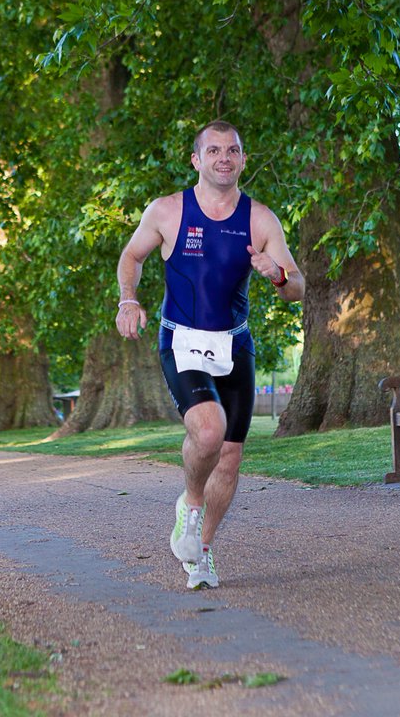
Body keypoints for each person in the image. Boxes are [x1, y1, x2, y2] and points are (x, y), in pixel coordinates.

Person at [115, 120, 304, 590]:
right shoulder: (167, 210)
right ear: (196, 160)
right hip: (182, 339)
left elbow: (296, 286)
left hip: (234, 343)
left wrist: (278, 275)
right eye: (214, 150)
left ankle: (200, 552)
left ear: (242, 160)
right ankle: (190, 505)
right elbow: (132, 256)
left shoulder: (260, 219)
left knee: (231, 455)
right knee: (208, 430)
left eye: (233, 150)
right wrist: (128, 300)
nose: (224, 158)